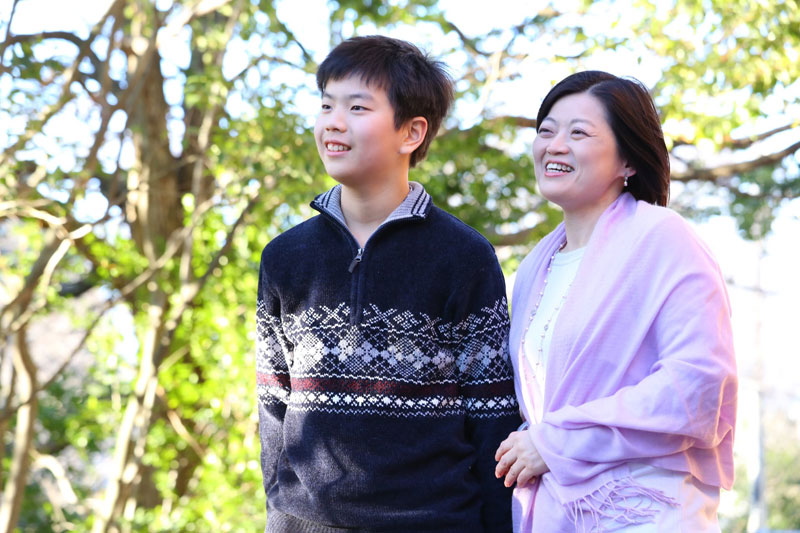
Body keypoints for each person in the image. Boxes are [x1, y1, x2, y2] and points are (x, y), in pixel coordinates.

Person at [256, 35, 520, 533]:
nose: (333, 121)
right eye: (326, 104)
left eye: (357, 107)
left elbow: (492, 421)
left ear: (412, 132)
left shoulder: (464, 257)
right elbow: (273, 409)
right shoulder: (286, 258)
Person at [493, 71, 737, 532]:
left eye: (578, 132)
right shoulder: (533, 267)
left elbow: (698, 384)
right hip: (558, 512)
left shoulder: (664, 238)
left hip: (644, 510)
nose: (555, 144)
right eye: (546, 130)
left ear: (627, 160)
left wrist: (559, 440)